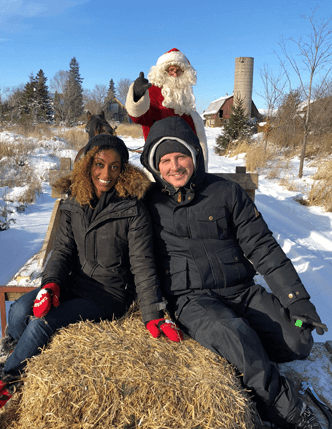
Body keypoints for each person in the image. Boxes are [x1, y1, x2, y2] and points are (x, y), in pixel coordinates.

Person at [0, 134, 182, 429]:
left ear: (124, 169)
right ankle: (15, 357)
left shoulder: (132, 209)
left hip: (108, 293)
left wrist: (153, 314)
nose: (106, 174)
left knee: (43, 322)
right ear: (87, 165)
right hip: (74, 282)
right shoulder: (74, 202)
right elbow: (62, 250)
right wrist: (51, 283)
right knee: (20, 308)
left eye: (114, 166)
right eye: (99, 164)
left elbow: (142, 263)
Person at [139, 115, 326, 429]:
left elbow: (264, 248)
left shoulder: (225, 193)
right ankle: (285, 408)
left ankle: (250, 364)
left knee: (298, 342)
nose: (175, 166)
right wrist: (152, 308)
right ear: (156, 166)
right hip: (192, 299)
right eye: (166, 160)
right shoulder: (148, 205)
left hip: (241, 290)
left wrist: (297, 302)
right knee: (237, 335)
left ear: (194, 155)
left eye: (181, 156)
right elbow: (139, 260)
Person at [125, 48, 208, 168]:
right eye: (171, 70)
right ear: (163, 72)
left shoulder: (185, 98)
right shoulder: (152, 93)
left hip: (189, 164)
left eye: (178, 71)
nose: (174, 74)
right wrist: (138, 96)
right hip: (162, 165)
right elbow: (139, 116)